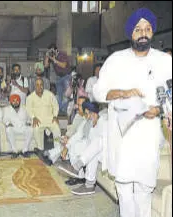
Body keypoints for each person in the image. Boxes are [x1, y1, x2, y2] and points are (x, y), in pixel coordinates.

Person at [92, 8, 172, 217]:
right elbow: (98, 92)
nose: (143, 33)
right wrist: (122, 93)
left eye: (147, 29)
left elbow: (170, 96)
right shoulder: (116, 60)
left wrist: (160, 110)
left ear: (152, 32)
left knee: (144, 189)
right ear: (131, 34)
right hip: (122, 133)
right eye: (138, 29)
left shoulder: (165, 61)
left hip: (149, 133)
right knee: (125, 189)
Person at [57, 102, 108, 195]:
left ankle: (76, 167)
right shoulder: (88, 122)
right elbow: (78, 135)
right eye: (86, 114)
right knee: (80, 147)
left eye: (88, 114)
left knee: (97, 142)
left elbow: (104, 142)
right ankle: (88, 185)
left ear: (95, 113)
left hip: (106, 151)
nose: (87, 116)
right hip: (94, 152)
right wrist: (66, 147)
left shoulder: (105, 122)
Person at [26, 78, 61, 150]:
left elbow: (55, 105)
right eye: (37, 85)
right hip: (38, 120)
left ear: (43, 85)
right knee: (36, 129)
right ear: (34, 86)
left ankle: (57, 149)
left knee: (57, 129)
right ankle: (40, 149)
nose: (39, 87)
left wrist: (55, 116)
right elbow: (29, 109)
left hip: (50, 119)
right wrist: (33, 117)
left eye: (41, 84)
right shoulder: (30, 97)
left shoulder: (49, 94)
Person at [3, 94, 33, 158]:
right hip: (13, 127)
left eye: (17, 101)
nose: (16, 102)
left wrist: (28, 122)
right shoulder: (7, 109)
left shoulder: (24, 108)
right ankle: (14, 151)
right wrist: (8, 123)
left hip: (22, 127)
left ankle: (25, 150)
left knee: (30, 129)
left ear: (19, 101)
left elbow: (29, 118)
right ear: (11, 102)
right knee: (8, 129)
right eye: (13, 101)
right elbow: (5, 119)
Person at [43, 43, 69, 114]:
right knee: (59, 95)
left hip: (66, 76)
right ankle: (60, 111)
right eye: (50, 51)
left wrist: (54, 60)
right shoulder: (52, 57)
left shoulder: (62, 54)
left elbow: (64, 65)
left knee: (66, 95)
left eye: (52, 51)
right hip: (58, 77)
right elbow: (45, 66)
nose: (51, 53)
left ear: (56, 50)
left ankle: (64, 111)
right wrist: (47, 56)